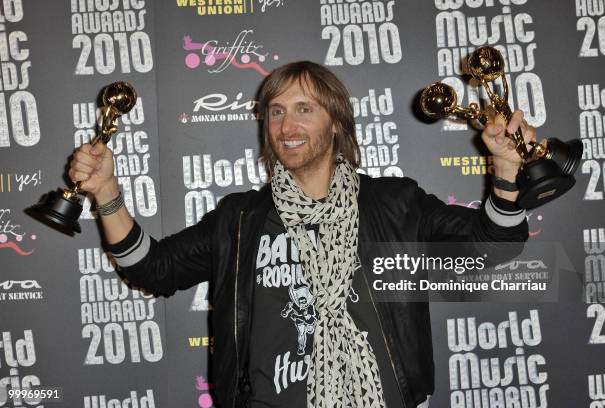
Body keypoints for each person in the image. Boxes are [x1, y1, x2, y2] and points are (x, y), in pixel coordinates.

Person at [69, 61, 532, 408]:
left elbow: (491, 246)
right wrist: (107, 193)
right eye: (275, 112)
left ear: (335, 122)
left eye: (304, 110)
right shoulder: (240, 218)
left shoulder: (396, 203)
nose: (286, 127)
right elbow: (153, 269)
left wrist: (508, 168)